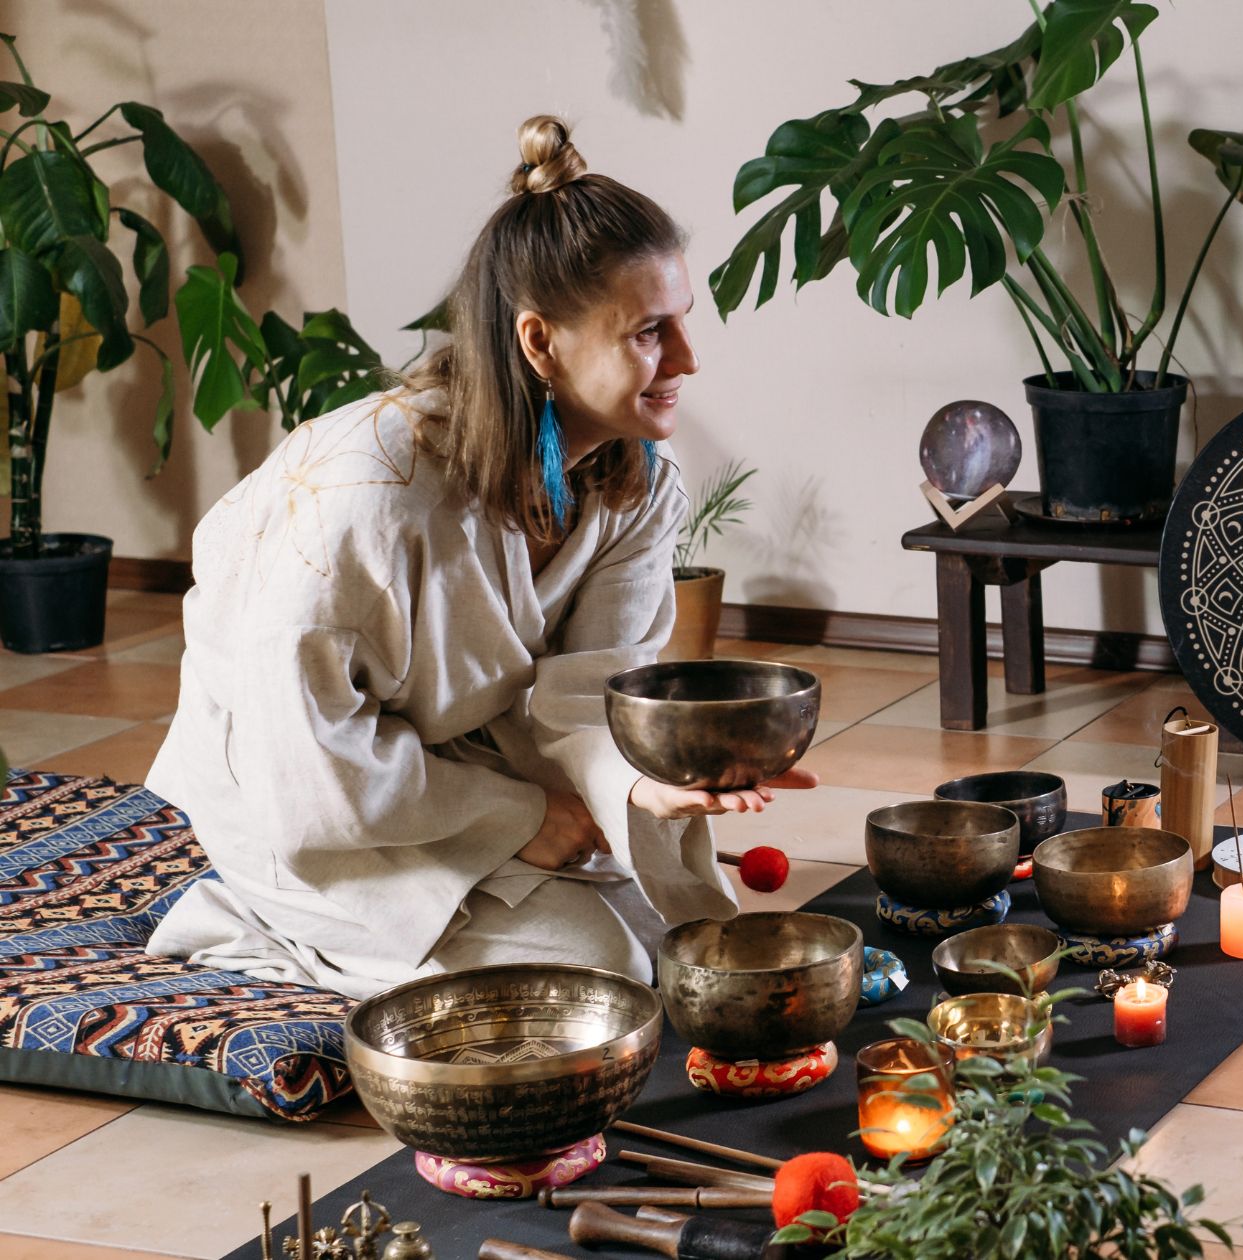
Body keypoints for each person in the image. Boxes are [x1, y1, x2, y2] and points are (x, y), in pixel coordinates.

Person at [146, 117, 813, 1000]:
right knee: (596, 972)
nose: (686, 360)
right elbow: (302, 755)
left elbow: (592, 689)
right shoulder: (368, 501)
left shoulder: (641, 479)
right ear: (540, 342)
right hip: (301, 794)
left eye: (682, 321)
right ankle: (254, 911)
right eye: (650, 332)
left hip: (451, 758)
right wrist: (518, 816)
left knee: (676, 940)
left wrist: (648, 782)